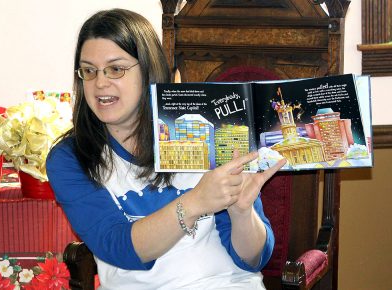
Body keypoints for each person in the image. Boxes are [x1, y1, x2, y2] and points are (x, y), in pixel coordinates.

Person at [46, 8, 286, 290]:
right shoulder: (70, 157)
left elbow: (253, 260)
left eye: (116, 69)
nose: (100, 83)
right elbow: (118, 246)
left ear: (148, 70)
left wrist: (241, 212)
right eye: (89, 70)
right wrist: (196, 202)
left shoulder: (207, 130)